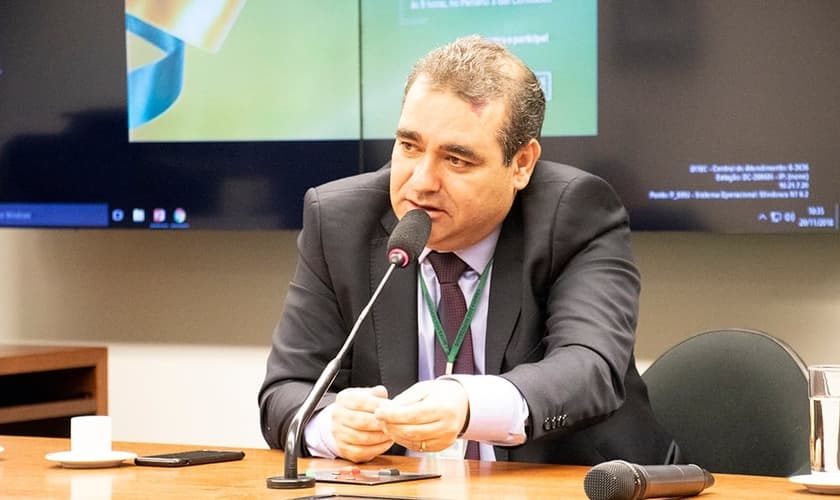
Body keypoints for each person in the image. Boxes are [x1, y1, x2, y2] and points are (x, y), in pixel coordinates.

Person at [259, 35, 679, 465]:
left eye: (456, 159)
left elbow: (590, 367)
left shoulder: (575, 213)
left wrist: (469, 403)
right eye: (409, 146)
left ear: (521, 164)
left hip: (589, 483)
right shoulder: (339, 221)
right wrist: (329, 425)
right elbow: (285, 390)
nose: (421, 181)